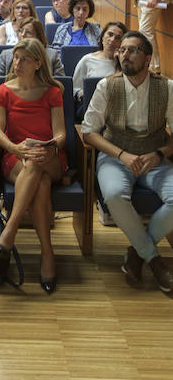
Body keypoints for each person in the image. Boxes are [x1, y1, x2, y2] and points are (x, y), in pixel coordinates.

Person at [82, 31, 173, 292]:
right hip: (116, 157)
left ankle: (137, 253)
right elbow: (89, 133)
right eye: (122, 50)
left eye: (132, 50)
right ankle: (154, 260)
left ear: (147, 58)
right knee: (112, 194)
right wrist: (122, 155)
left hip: (154, 158)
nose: (124, 55)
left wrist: (159, 155)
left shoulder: (166, 87)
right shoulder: (107, 85)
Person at [0, 38, 67, 293]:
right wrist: (15, 148)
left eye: (24, 59)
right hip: (15, 156)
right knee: (39, 179)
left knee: (37, 163)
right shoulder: (3, 90)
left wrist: (49, 147)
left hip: (50, 156)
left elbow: (61, 134)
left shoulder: (53, 91)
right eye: (16, 58)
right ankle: (47, 254)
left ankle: (9, 231)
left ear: (37, 63)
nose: (18, 63)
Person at [0, 17, 65, 81]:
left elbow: (60, 82)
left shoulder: (51, 55)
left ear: (38, 36)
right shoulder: (6, 55)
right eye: (21, 31)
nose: (23, 35)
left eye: (28, 32)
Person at [72, 21, 126, 98]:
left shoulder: (125, 63)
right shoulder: (87, 60)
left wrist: (120, 61)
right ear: (102, 37)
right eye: (110, 35)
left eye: (118, 38)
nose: (112, 40)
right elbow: (74, 88)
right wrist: (83, 94)